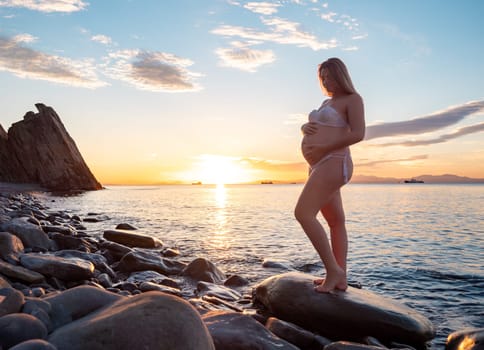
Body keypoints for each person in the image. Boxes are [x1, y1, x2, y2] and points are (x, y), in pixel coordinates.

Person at [294, 57, 365, 293]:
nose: (326, 81)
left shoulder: (353, 100)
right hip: (319, 165)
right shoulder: (326, 103)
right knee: (335, 222)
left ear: (341, 75)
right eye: (322, 77)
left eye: (330, 75)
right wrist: (304, 128)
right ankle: (340, 277)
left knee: (303, 213)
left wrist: (324, 147)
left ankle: (333, 270)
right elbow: (316, 127)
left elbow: (358, 133)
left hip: (334, 162)